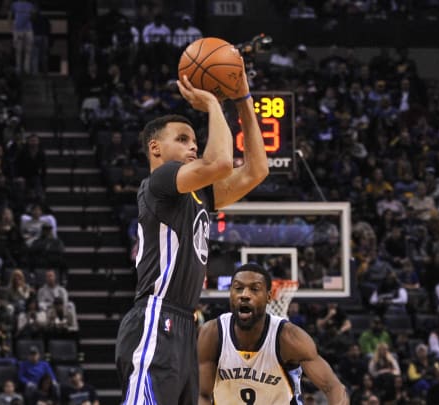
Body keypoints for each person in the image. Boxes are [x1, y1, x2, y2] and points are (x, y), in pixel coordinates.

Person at [115, 60, 269, 405]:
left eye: (195, 141)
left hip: (184, 323)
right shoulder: (159, 182)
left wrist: (243, 97)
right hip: (156, 317)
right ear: (155, 148)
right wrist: (215, 103)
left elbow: (257, 169)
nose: (193, 147)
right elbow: (221, 163)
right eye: (183, 139)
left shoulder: (199, 195)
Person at [197, 264, 348, 404]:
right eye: (238, 288)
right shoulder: (212, 334)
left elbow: (333, 387)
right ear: (230, 293)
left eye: (254, 289)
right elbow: (202, 394)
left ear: (269, 297)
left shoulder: (289, 337)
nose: (244, 295)